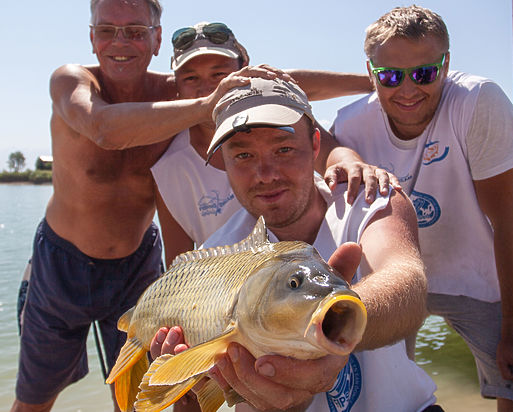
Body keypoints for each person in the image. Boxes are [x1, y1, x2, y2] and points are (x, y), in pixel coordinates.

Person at [11, 2, 391, 411]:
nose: (121, 42)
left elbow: (283, 85)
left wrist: (376, 81)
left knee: (132, 394)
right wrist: (213, 102)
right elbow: (102, 127)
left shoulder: (172, 90)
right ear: (90, 35)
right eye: (107, 30)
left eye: (136, 31)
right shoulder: (75, 80)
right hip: (63, 258)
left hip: (138, 262)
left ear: (157, 38)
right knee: (35, 395)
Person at [151, 77, 440, 412]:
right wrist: (183, 386)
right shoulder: (214, 260)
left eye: (283, 149)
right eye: (243, 155)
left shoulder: (370, 199)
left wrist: (337, 319)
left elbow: (408, 283)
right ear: (223, 163)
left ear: (316, 145)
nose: (266, 173)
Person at [330, 5, 513, 411]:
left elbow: (511, 222)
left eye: (425, 73)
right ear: (371, 72)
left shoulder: (478, 102)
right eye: (391, 76)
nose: (409, 90)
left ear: (446, 64)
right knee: (371, 392)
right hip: (392, 275)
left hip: (479, 274)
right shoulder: (348, 125)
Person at [151, 21, 398, 266]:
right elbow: (179, 267)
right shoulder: (169, 168)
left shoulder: (279, 117)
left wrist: (353, 163)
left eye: (219, 74)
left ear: (244, 71)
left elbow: (331, 153)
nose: (208, 88)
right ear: (176, 84)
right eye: (191, 78)